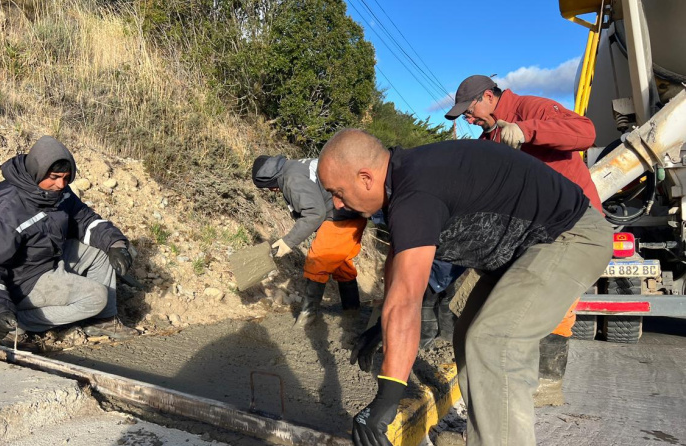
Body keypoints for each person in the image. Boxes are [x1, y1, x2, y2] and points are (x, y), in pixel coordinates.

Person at [317, 129, 611, 446]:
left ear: (365, 178)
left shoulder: (415, 192)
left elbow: (406, 302)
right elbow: (401, 279)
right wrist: (383, 327)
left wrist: (383, 406)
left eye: (338, 191)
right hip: (521, 251)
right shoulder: (404, 184)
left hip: (569, 236)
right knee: (469, 335)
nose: (337, 203)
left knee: (494, 340)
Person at [445, 74, 603, 398]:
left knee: (540, 311)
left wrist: (527, 131)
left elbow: (586, 132)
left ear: (488, 96)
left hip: (570, 227)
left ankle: (546, 381)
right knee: (475, 322)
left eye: (469, 111)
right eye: (464, 116)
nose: (468, 119)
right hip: (527, 236)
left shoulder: (531, 108)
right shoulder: (488, 140)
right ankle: (489, 399)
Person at [0, 136, 138, 341]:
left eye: (66, 177)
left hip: (45, 258)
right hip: (20, 281)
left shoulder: (54, 192)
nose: (61, 184)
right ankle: (14, 324)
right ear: (37, 170)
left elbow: (84, 219)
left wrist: (115, 244)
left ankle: (102, 321)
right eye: (54, 177)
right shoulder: (2, 213)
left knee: (103, 251)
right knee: (96, 297)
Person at [252, 155, 366, 326]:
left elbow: (314, 213)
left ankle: (307, 319)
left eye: (268, 187)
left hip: (341, 215)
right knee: (340, 263)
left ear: (270, 179)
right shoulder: (294, 167)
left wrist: (288, 241)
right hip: (353, 210)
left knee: (317, 261)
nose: (271, 190)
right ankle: (352, 313)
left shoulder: (292, 178)